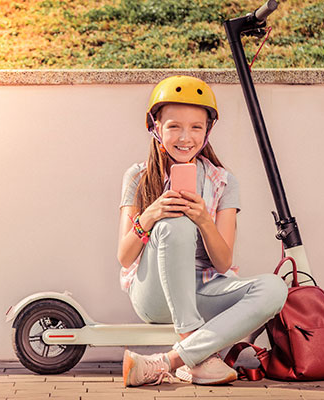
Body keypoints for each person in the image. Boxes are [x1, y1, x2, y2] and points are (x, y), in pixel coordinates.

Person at [117, 75, 288, 387]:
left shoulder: (223, 182)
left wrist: (205, 221)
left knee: (275, 288)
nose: (186, 137)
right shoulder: (138, 176)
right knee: (175, 223)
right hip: (153, 294)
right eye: (174, 126)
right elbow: (125, 257)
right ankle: (191, 339)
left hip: (203, 291)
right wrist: (151, 215)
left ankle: (168, 362)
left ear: (208, 131)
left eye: (196, 127)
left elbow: (223, 263)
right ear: (156, 128)